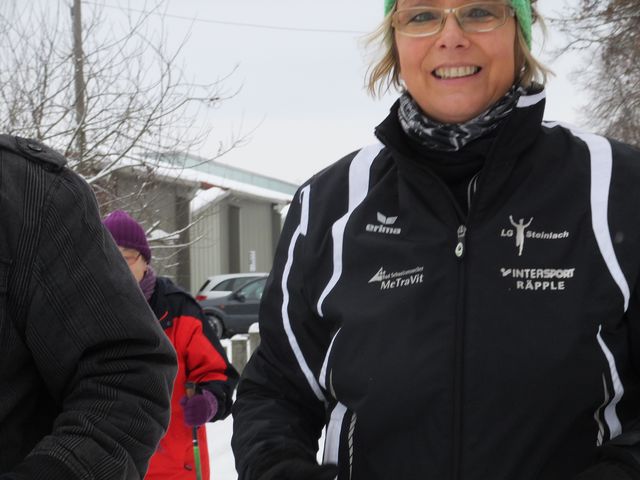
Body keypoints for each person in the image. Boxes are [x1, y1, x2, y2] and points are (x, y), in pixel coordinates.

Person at [231, 1, 640, 479]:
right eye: (422, 15)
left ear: (520, 33)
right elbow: (276, 391)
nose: (451, 36)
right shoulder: (329, 204)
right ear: (395, 41)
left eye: (480, 11)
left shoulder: (616, 187)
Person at [0, 135, 178, 479]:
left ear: (145, 260)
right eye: (118, 256)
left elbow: (131, 373)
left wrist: (212, 393)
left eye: (130, 257)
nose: (123, 265)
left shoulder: (32, 197)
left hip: (168, 445)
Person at [103, 210, 239, 480]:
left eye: (127, 257)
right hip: (106, 465)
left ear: (145, 261)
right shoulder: (84, 312)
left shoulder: (180, 311)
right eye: (106, 256)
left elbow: (219, 375)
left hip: (175, 469)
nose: (117, 266)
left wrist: (208, 401)